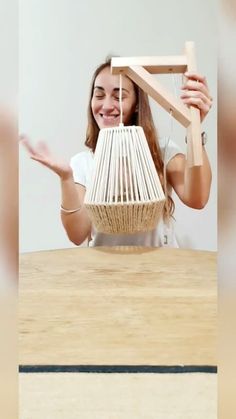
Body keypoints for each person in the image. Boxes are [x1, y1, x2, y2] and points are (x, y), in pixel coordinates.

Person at [21, 58, 213, 247]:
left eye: (118, 96)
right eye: (99, 95)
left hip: (159, 272)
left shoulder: (163, 151)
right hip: (106, 274)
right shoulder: (83, 163)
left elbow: (198, 198)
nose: (106, 106)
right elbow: (77, 235)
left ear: (137, 104)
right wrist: (66, 178)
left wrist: (193, 127)